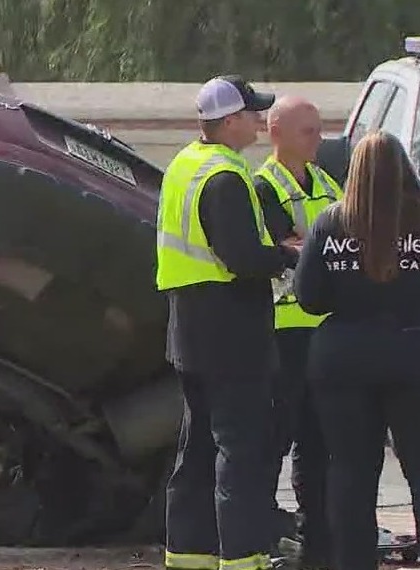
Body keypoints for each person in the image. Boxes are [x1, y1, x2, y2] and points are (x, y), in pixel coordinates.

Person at [294, 130, 420, 570]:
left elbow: (309, 296)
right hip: (417, 355)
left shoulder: (331, 223)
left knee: (350, 471)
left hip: (344, 359)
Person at [156, 74, 300, 570]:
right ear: (230, 120)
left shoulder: (184, 165)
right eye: (253, 114)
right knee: (241, 448)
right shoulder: (225, 176)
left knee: (196, 448)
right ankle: (243, 557)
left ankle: (187, 555)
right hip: (231, 331)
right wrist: (285, 256)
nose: (261, 122)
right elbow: (240, 256)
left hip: (189, 332)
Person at [253, 96, 342, 569]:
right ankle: (261, 541)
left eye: (318, 129)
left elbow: (342, 240)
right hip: (283, 331)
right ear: (278, 134)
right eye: (308, 131)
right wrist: (322, 250)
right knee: (272, 441)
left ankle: (317, 545)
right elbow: (281, 245)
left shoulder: (326, 181)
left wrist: (312, 248)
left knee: (318, 442)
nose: (319, 139)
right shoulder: (264, 185)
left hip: (326, 331)